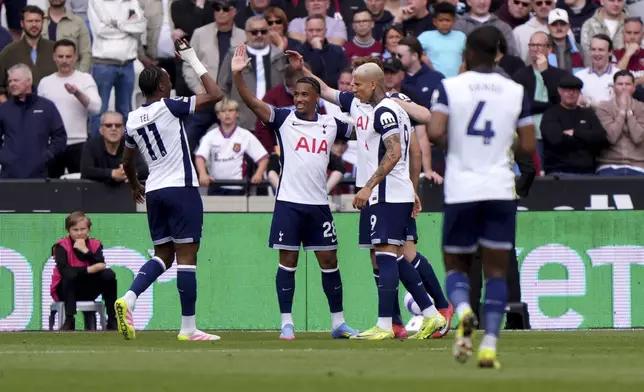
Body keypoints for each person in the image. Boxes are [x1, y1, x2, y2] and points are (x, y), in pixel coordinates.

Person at [287, 52, 447, 340]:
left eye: (357, 83)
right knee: (391, 257)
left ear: (373, 84)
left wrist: (369, 186)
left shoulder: (385, 110)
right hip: (385, 193)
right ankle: (431, 314)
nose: (351, 88)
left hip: (386, 193)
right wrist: (304, 69)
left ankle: (386, 325)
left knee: (387, 256)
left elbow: (395, 152)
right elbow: (325, 91)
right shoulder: (364, 106)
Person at [231, 43, 357, 340]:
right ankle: (287, 322)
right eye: (296, 95)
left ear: (316, 98)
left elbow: (365, 125)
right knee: (287, 263)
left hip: (318, 206)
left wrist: (305, 70)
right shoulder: (283, 119)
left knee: (330, 262)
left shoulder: (331, 123)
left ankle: (338, 323)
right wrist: (238, 77)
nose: (298, 99)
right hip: (288, 204)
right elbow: (252, 103)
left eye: (304, 95)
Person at [428, 26, 536, 368]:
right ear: (499, 53)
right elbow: (530, 147)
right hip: (500, 188)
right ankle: (489, 344)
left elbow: (434, 132)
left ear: (468, 54)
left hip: (462, 188)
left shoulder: (450, 87)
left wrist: (460, 145)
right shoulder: (516, 91)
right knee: (497, 273)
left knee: (456, 265)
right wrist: (502, 143)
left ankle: (462, 311)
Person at [114, 39, 224, 341]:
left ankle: (130, 298)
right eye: (168, 81)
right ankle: (188, 328)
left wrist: (136, 185)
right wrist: (191, 57)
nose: (171, 84)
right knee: (187, 257)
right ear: (162, 87)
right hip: (181, 188)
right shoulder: (169, 107)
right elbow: (216, 94)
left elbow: (126, 159)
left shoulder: (133, 118)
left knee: (164, 254)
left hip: (155, 192)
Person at [50, 211, 117, 331]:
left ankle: (112, 319)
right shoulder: (61, 246)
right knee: (70, 278)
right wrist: (89, 269)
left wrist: (86, 251)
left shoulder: (95, 244)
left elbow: (101, 264)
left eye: (83, 229)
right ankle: (69, 319)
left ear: (88, 229)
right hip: (65, 290)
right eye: (75, 230)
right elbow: (66, 272)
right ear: (68, 231)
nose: (79, 233)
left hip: (87, 288)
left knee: (109, 275)